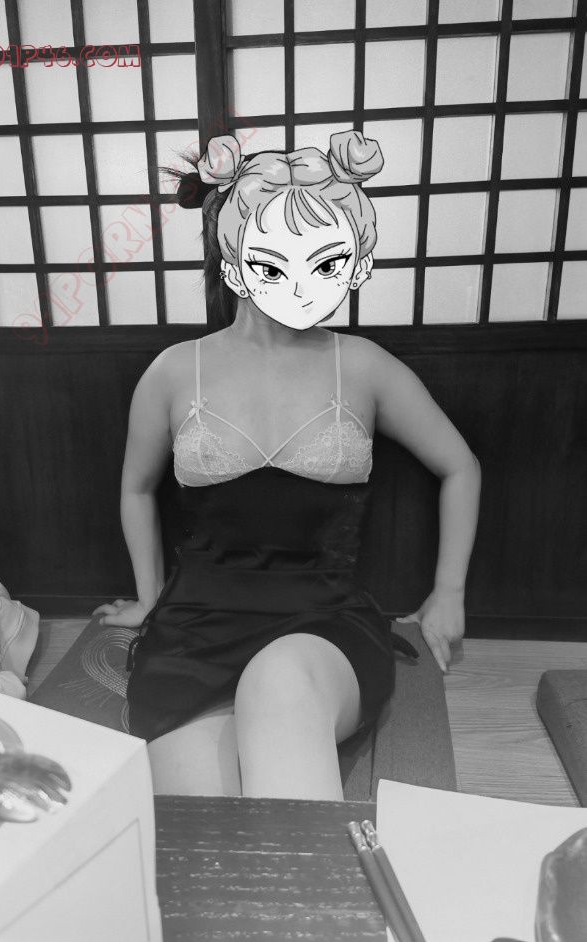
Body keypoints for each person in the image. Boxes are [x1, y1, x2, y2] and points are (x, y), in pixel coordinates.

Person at [93, 129, 481, 801]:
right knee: (203, 823)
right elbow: (136, 487)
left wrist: (449, 594)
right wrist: (150, 599)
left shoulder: (363, 365)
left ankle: (322, 872)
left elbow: (460, 466)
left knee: (277, 682)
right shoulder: (173, 371)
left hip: (323, 626)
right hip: (195, 630)